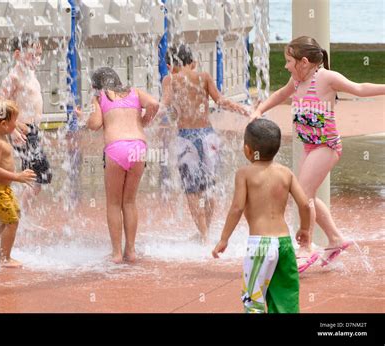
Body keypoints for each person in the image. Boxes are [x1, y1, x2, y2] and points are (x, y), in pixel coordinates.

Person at [250, 36, 385, 272]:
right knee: (307, 195)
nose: (286, 66)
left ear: (303, 61)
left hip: (327, 146)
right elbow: (280, 95)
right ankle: (335, 239)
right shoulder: (297, 80)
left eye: (289, 61)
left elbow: (359, 88)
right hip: (310, 145)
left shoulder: (325, 78)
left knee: (303, 195)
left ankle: (306, 247)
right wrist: (259, 109)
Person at [212, 119, 311, 313]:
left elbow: (236, 208)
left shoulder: (245, 174)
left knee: (253, 301)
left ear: (248, 150)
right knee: (286, 297)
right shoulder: (286, 173)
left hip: (260, 245)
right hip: (284, 244)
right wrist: (305, 228)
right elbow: (305, 204)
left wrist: (224, 239)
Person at [160, 44, 249, 243]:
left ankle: (203, 235)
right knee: (209, 186)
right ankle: (206, 231)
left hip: (186, 140)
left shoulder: (170, 79)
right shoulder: (204, 77)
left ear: (169, 65)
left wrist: (144, 118)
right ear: (194, 63)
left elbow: (163, 105)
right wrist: (243, 109)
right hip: (209, 137)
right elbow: (221, 101)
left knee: (192, 190)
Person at [76, 67, 159, 263]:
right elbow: (154, 103)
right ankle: (130, 251)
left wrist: (83, 117)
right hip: (138, 147)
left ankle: (116, 254)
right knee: (129, 202)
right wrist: (144, 121)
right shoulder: (134, 92)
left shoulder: (100, 97)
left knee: (114, 203)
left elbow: (95, 124)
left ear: (97, 87)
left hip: (116, 148)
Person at [0, 33, 52, 228]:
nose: (37, 59)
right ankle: (16, 215)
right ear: (17, 54)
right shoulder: (13, 77)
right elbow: (0, 105)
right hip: (22, 132)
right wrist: (12, 129)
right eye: (33, 54)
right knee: (40, 173)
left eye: (39, 54)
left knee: (36, 175)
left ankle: (21, 216)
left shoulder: (30, 73)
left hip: (32, 131)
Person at [0, 99, 36, 268]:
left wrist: (15, 133)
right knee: (12, 221)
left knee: (12, 215)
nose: (17, 125)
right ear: (4, 124)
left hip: (1, 188)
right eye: (15, 122)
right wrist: (16, 176)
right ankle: (4, 258)